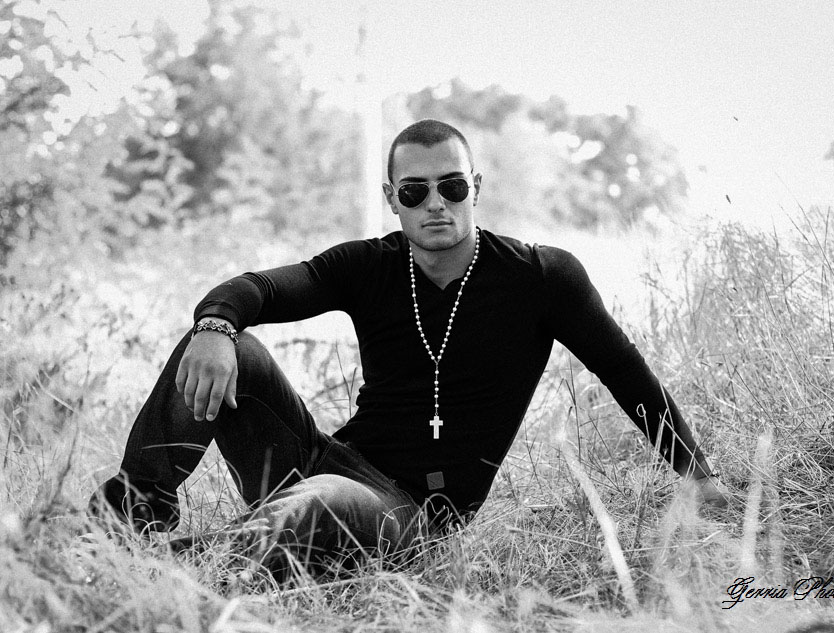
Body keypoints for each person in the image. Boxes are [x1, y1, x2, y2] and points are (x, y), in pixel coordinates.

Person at [88, 118, 729, 579]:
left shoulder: (541, 277)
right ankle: (129, 523)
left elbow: (623, 371)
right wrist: (215, 327)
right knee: (222, 344)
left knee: (318, 502)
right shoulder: (369, 265)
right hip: (326, 459)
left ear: (476, 186)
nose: (436, 203)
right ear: (392, 199)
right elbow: (259, 289)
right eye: (415, 190)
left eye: (453, 186)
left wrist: (697, 476)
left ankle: (175, 569)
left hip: (411, 513)